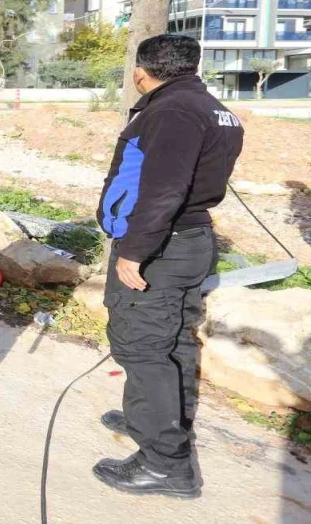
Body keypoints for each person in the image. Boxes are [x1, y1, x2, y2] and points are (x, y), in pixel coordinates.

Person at [93, 33, 243, 499]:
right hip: (188, 239)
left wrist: (136, 251)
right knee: (171, 340)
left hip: (162, 246)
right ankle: (158, 420)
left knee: (142, 347)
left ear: (141, 71)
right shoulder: (212, 108)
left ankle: (165, 463)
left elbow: (164, 190)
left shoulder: (172, 111)